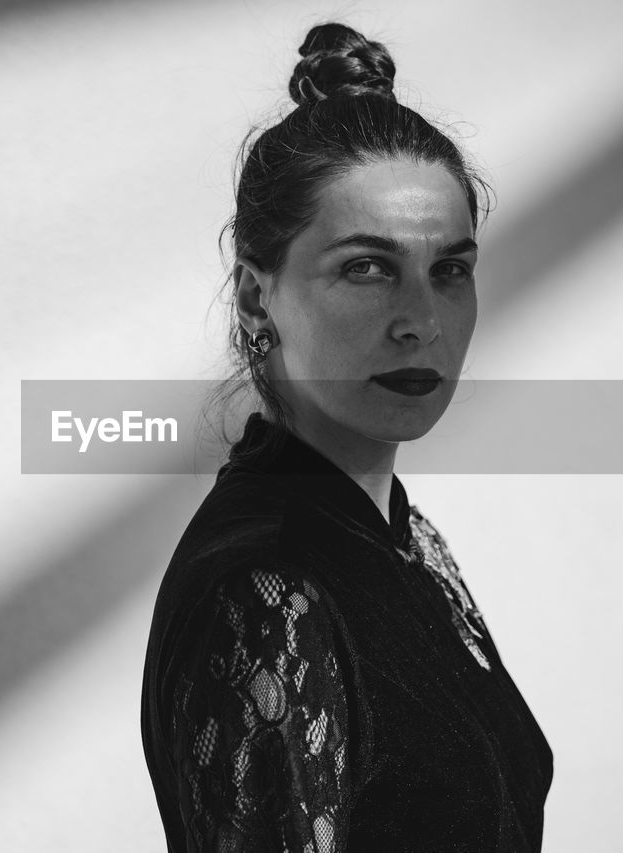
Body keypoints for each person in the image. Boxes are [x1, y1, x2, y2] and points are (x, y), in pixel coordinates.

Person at [140, 21, 554, 853]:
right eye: (367, 267)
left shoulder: (405, 538)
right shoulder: (267, 595)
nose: (421, 322)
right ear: (259, 302)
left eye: (451, 269)